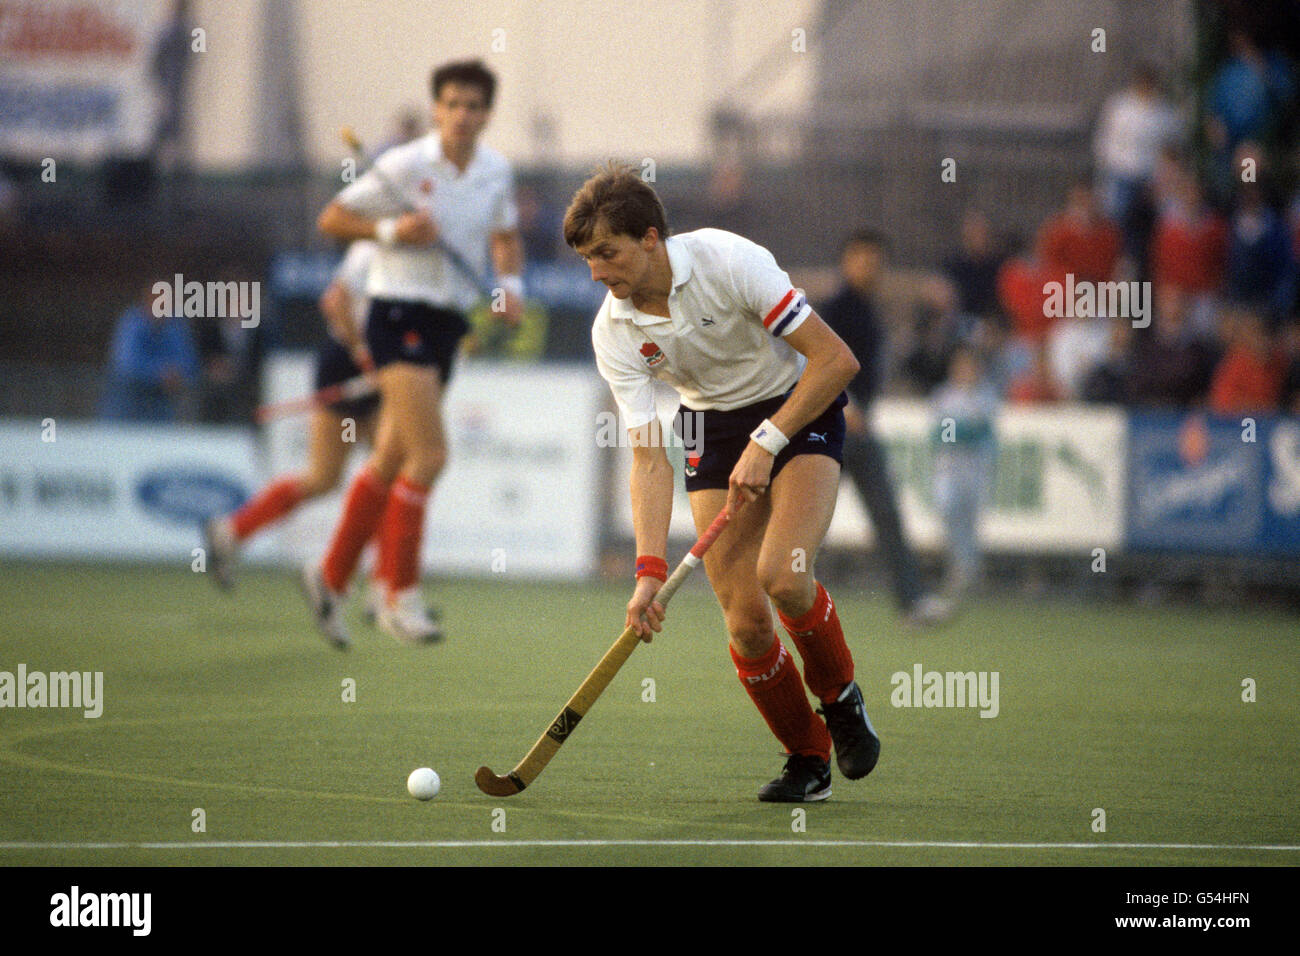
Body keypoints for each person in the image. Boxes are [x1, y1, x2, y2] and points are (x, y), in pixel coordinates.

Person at [566, 162, 879, 803]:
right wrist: (648, 571)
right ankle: (807, 757)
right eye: (587, 259)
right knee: (746, 622)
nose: (596, 272)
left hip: (798, 408)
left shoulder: (728, 260)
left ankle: (841, 698)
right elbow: (648, 460)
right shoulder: (613, 330)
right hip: (708, 428)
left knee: (784, 575)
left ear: (650, 238)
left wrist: (768, 441)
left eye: (606, 253)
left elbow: (836, 360)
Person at [302, 59, 524, 647]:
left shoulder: (496, 171)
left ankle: (330, 577)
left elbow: (505, 236)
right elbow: (332, 218)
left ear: (487, 114)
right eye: (451, 104)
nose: (461, 115)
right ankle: (399, 595)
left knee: (391, 457)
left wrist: (510, 285)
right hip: (397, 314)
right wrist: (392, 232)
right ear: (436, 109)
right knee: (430, 456)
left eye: (473, 106)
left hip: (449, 320)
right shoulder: (404, 165)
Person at [203, 241, 383, 596]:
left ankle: (385, 583)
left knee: (390, 474)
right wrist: (363, 355)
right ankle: (232, 531)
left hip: (386, 372)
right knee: (323, 478)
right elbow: (333, 302)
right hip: (348, 367)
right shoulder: (369, 251)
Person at [818, 230, 950, 627]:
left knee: (886, 516)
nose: (869, 268)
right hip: (828, 428)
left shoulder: (871, 311)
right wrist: (846, 403)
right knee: (809, 522)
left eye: (876, 261)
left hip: (859, 432)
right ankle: (783, 597)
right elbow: (812, 358)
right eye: (862, 259)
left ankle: (913, 602)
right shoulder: (834, 309)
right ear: (846, 262)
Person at [930, 347, 999, 601]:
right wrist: (961, 431)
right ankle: (959, 569)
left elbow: (981, 430)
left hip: (975, 469)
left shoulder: (986, 395)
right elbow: (939, 434)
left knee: (971, 523)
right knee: (948, 512)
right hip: (948, 469)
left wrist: (957, 431)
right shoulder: (943, 395)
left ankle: (970, 573)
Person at [100, 285, 199, 422]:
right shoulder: (131, 322)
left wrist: (176, 373)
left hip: (163, 402)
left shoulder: (176, 325)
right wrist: (159, 374)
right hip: (128, 401)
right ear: (146, 300)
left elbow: (188, 361)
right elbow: (126, 364)